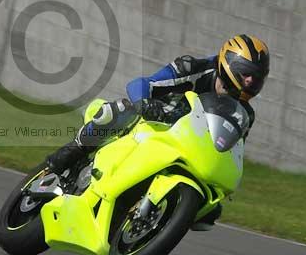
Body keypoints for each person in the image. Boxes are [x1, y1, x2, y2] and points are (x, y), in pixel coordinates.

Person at [45, 34, 270, 230]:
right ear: (229, 63)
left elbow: (231, 149)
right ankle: (71, 152)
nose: (251, 81)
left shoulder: (244, 114)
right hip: (155, 119)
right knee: (119, 110)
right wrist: (145, 104)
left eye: (257, 77)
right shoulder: (192, 69)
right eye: (246, 73)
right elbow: (141, 84)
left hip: (186, 144)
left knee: (208, 211)